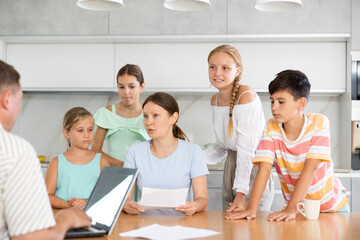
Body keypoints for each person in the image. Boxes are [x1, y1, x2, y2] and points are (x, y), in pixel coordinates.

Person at [226, 70, 350, 221]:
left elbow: (311, 168)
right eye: (272, 101)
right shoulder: (271, 128)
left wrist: (291, 209)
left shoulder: (319, 123)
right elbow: (264, 169)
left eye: (281, 101)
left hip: (332, 209)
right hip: (298, 209)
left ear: (301, 103)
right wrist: (252, 209)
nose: (274, 107)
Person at [0, 60, 91, 240]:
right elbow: (33, 238)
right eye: (20, 98)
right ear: (7, 99)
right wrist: (67, 218)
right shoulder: (15, 152)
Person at [205, 44, 274, 211]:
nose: (217, 73)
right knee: (230, 231)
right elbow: (222, 146)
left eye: (225, 68)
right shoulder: (214, 100)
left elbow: (246, 150)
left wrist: (241, 193)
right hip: (231, 167)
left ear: (237, 71)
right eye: (212, 67)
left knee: (253, 232)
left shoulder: (246, 96)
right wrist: (191, 158)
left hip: (253, 171)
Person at [123, 92, 209, 216]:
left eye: (155, 115)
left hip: (182, 226)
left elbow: (202, 200)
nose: (149, 122)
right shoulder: (135, 151)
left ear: (173, 118)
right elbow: (125, 198)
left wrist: (194, 206)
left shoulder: (193, 151)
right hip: (143, 225)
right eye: (145, 116)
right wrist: (126, 205)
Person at [45, 107, 110, 210]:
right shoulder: (57, 162)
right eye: (80, 130)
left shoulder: (102, 162)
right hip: (64, 218)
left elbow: (108, 195)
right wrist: (68, 205)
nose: (86, 135)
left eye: (90, 129)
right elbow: (47, 196)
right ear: (67, 133)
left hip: (92, 218)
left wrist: (85, 201)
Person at [92, 64, 150, 167]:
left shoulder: (149, 115)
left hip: (143, 173)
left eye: (132, 87)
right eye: (121, 87)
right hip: (115, 174)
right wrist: (124, 166)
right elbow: (95, 150)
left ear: (142, 87)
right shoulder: (107, 113)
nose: (126, 92)